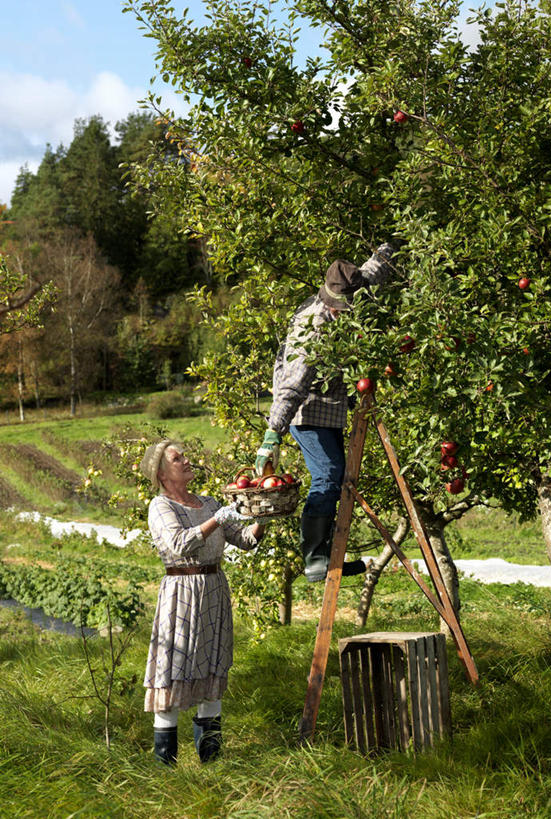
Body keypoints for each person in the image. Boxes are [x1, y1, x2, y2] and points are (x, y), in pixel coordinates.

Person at [255, 243, 396, 582]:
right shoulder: (312, 328)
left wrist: (398, 241)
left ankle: (331, 551)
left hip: (330, 406)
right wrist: (272, 434)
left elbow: (379, 265)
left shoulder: (356, 284)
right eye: (339, 308)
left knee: (340, 475)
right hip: (303, 408)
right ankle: (315, 558)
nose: (342, 312)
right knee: (329, 474)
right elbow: (291, 386)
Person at [139, 439, 266, 765]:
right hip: (181, 593)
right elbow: (180, 544)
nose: (186, 460)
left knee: (211, 666)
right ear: (162, 473)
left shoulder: (208, 502)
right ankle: (165, 766)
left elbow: (247, 540)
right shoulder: (161, 506)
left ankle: (212, 763)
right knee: (173, 667)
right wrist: (218, 520)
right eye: (177, 458)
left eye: (184, 455)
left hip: (213, 591)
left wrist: (265, 512)